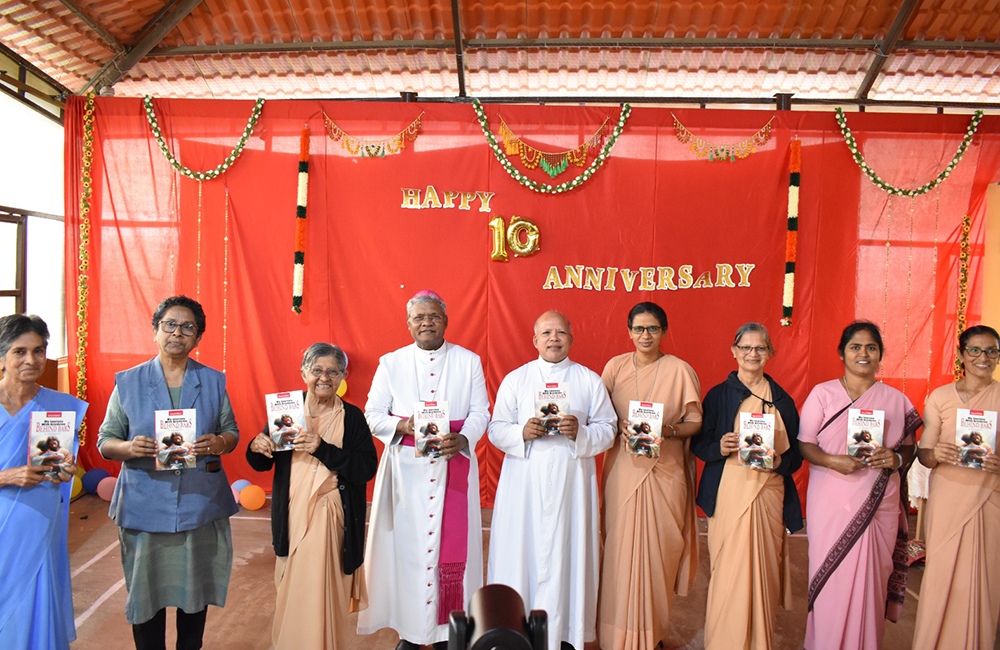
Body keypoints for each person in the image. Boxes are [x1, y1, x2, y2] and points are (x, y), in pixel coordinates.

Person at [98, 296, 239, 650]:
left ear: (198, 337)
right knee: (146, 599)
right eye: (170, 325)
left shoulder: (213, 381)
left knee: (195, 597)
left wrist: (218, 442)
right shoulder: (128, 383)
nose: (178, 333)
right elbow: (105, 440)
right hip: (145, 506)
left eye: (188, 327)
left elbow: (232, 432)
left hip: (199, 506)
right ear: (155, 330)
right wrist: (129, 448)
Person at [359, 290, 490, 650]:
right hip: (406, 475)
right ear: (408, 324)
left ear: (446, 321)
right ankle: (411, 632)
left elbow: (482, 412)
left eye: (433, 316)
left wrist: (464, 439)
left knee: (451, 552)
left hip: (454, 468)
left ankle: (449, 632)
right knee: (408, 552)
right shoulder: (391, 363)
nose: (426, 322)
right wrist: (404, 426)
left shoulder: (469, 361)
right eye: (419, 317)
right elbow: (372, 415)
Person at [488, 310, 617, 650]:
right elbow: (496, 428)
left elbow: (608, 429)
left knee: (567, 552)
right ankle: (515, 630)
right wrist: (522, 432)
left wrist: (582, 432)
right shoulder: (516, 380)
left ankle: (565, 633)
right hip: (524, 485)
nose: (554, 338)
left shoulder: (589, 380)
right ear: (535, 340)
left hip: (571, 484)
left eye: (560, 332)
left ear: (571, 339)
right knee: (521, 551)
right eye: (546, 333)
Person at [247, 343, 378, 650]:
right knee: (293, 591)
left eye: (333, 371)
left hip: (330, 516)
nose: (324, 377)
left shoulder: (352, 417)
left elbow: (365, 468)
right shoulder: (287, 410)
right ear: (303, 372)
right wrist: (256, 446)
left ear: (343, 376)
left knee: (321, 592)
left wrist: (322, 448)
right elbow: (262, 461)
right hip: (291, 513)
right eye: (317, 370)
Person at [798, 321, 920, 650]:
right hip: (831, 500)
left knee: (871, 580)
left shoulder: (896, 399)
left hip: (879, 504)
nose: (863, 353)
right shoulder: (822, 394)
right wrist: (832, 460)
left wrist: (894, 460)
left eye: (871, 347)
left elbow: (909, 446)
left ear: (880, 354)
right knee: (830, 577)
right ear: (842, 353)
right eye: (855, 347)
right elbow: (805, 445)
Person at [596, 302, 702, 650]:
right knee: (619, 552)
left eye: (652, 328)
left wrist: (668, 431)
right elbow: (600, 417)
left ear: (664, 332)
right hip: (624, 472)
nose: (645, 335)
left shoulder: (680, 370)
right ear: (628, 332)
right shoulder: (614, 368)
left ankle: (651, 632)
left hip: (665, 474)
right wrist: (618, 426)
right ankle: (614, 634)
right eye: (639, 328)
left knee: (660, 554)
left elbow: (695, 422)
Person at [693, 322, 803, 650]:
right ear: (734, 352)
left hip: (768, 492)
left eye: (760, 348)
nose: (753, 354)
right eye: (746, 348)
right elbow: (699, 444)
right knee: (728, 574)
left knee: (763, 573)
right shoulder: (717, 395)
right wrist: (720, 447)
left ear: (770, 352)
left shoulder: (782, 400)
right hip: (729, 491)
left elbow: (796, 455)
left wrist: (779, 462)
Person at [0, 314, 88, 649]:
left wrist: (64, 469)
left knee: (37, 605)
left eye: (39, 351)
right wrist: (6, 476)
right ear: (1, 357)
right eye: (19, 351)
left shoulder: (60, 406)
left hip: (41, 525)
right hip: (3, 530)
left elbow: (63, 466)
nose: (31, 360)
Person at [913, 325, 1000, 650]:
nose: (983, 357)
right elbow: (924, 455)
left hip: (989, 499)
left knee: (985, 581)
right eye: (975, 350)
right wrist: (936, 453)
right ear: (962, 355)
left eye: (991, 351)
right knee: (942, 577)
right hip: (948, 498)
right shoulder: (941, 397)